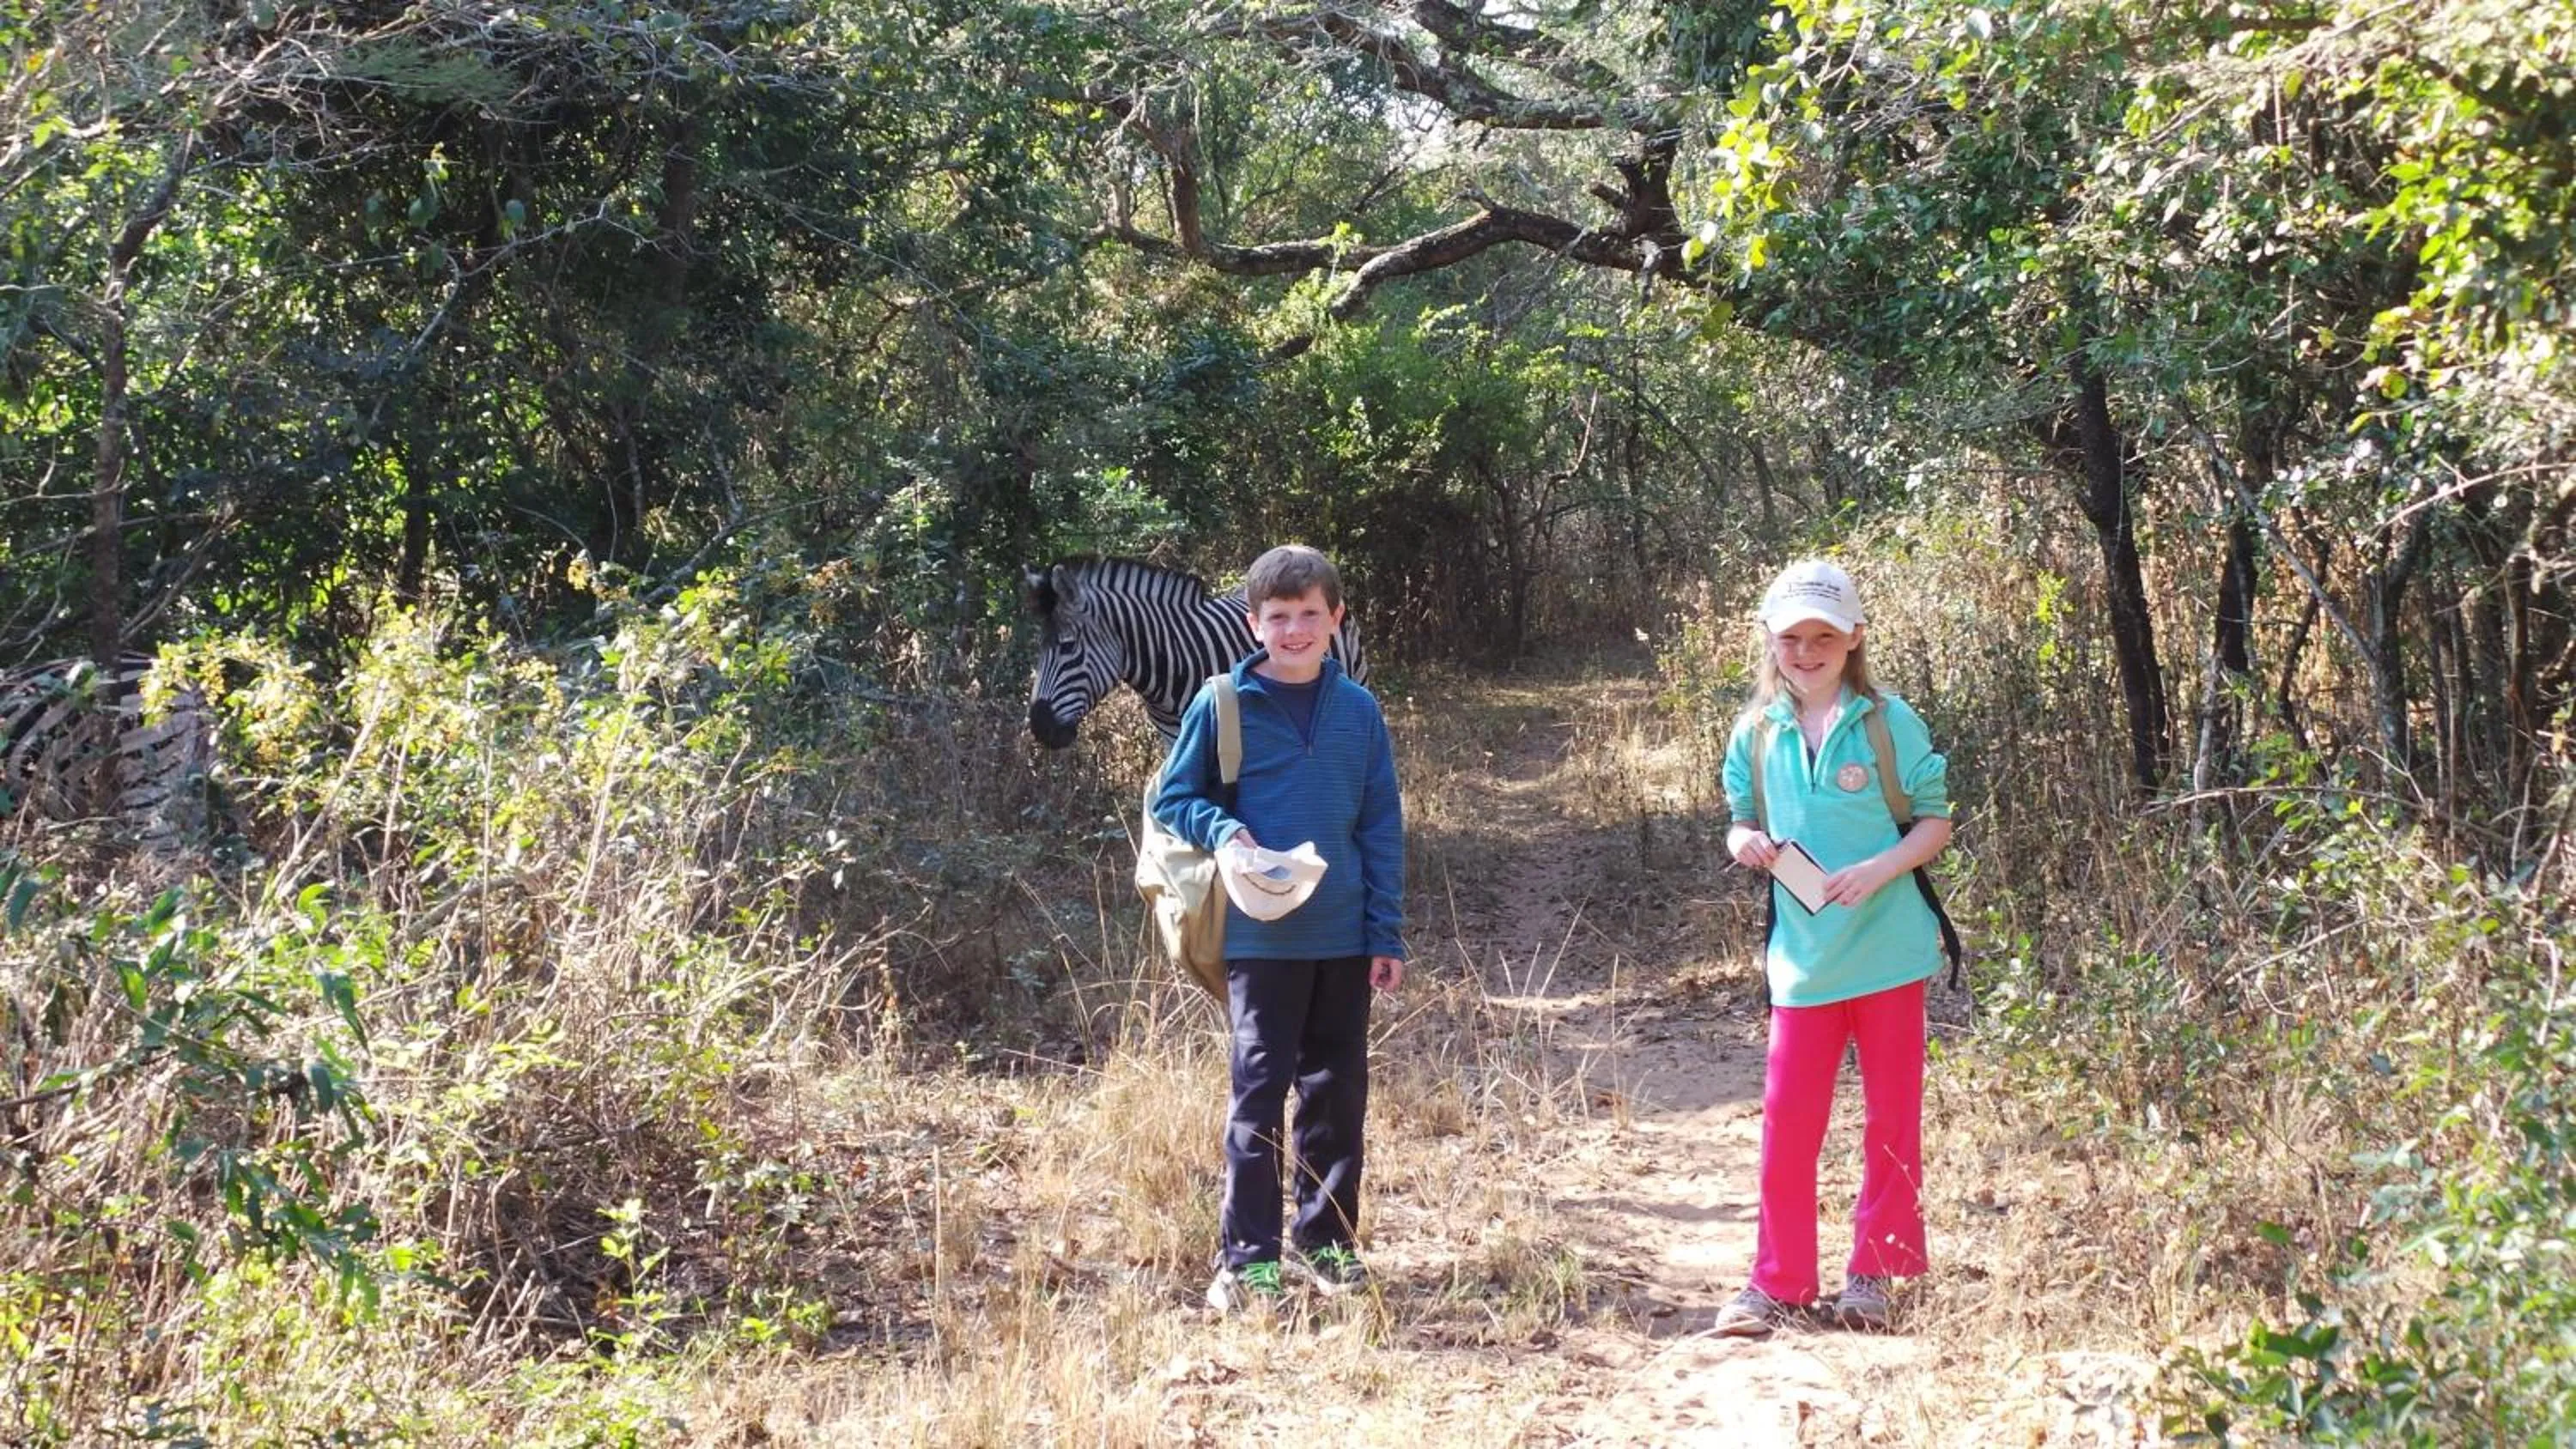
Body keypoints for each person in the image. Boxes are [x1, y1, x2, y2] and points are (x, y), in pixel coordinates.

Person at [1151, 544, 1407, 1313]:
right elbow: (1173, 799)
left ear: (1335, 618)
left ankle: (1328, 1246)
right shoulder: (1224, 702)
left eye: (1308, 615)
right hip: (1260, 935)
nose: (1292, 631)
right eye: (1276, 617)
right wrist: (1226, 832)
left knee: (1337, 1095)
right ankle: (1249, 1260)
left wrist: (1384, 932)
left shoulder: (1359, 710)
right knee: (1257, 1096)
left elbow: (1380, 826)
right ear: (1253, 622)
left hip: (1342, 935)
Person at [1713, 558, 1953, 1337]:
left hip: (1889, 953)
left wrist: (1880, 868)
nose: (1807, 652)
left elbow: (1933, 820)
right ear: (1770, 642)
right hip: (1803, 962)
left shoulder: (1888, 721)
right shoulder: (1756, 731)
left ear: (1854, 638)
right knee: (1788, 1120)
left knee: (1892, 1119)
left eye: (1824, 636)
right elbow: (1740, 815)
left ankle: (1875, 1275)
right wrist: (1745, 840)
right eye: (1792, 638)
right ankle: (1776, 1283)